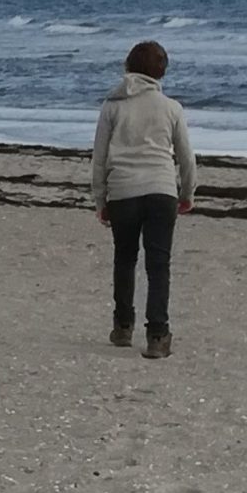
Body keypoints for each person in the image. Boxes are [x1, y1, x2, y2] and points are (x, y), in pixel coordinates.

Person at [93, 40, 199, 358]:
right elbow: (187, 159)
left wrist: (100, 199)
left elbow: (99, 158)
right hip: (161, 189)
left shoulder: (112, 105)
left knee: (125, 259)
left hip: (123, 191)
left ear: (129, 67)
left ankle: (123, 326)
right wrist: (187, 193)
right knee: (158, 264)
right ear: (160, 72)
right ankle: (157, 335)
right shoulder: (171, 108)